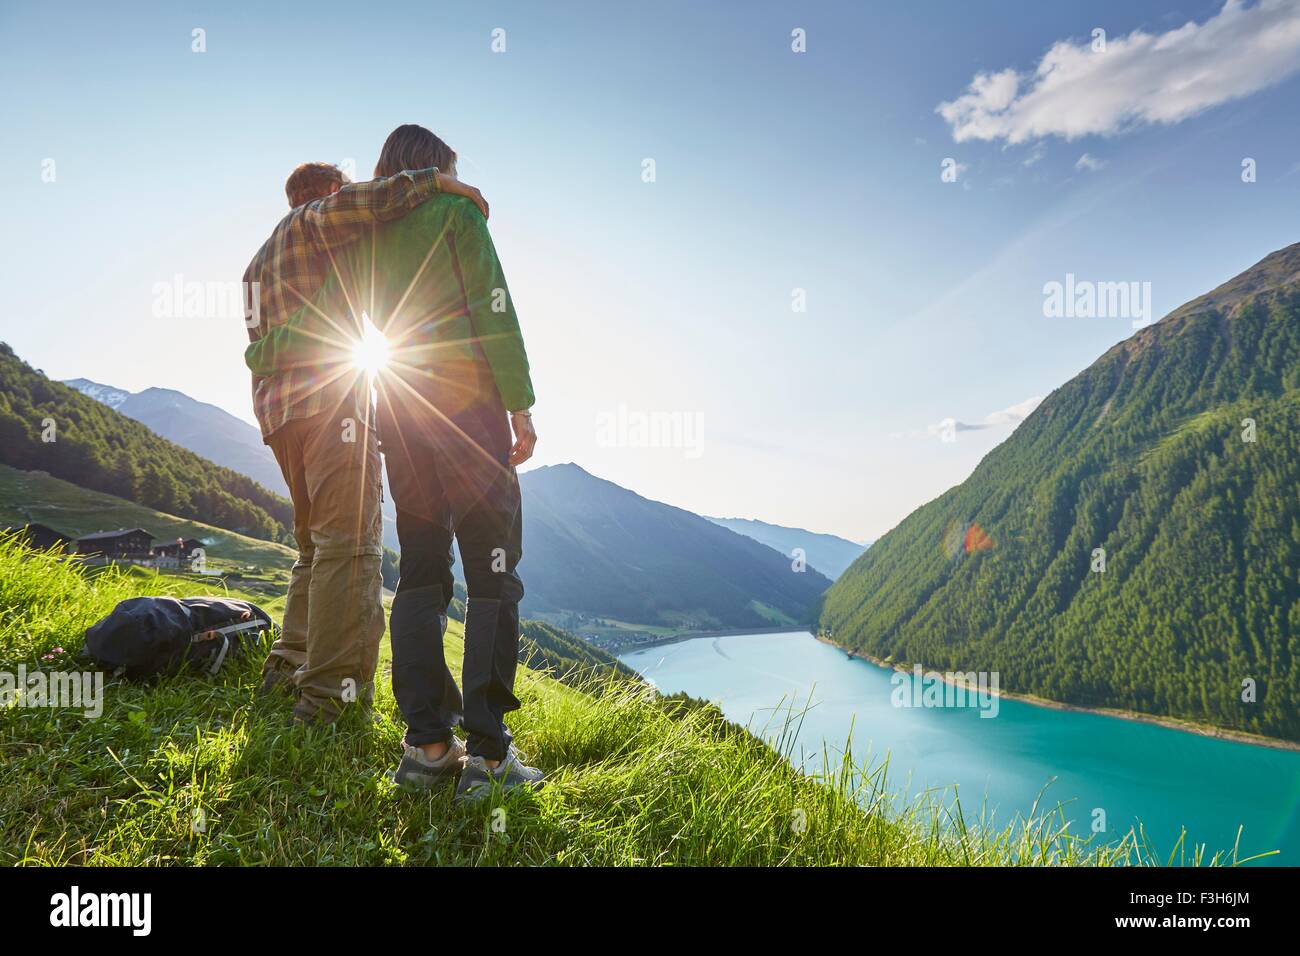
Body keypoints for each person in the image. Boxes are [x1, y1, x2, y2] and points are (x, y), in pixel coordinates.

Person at [247, 126, 542, 801]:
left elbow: (312, 323)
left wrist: (258, 355)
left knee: (420, 576)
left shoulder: (362, 242)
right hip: (469, 411)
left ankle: (428, 748)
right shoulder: (457, 213)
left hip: (402, 413)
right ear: (438, 168)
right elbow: (495, 312)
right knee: (494, 579)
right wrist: (520, 407)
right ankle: (491, 760)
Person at [242, 159, 488, 725]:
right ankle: (331, 698)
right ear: (330, 190)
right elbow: (376, 200)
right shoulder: (316, 219)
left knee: (314, 548)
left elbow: (262, 347)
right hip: (332, 407)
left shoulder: (256, 264)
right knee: (350, 549)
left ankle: (288, 667)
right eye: (343, 191)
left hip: (280, 419)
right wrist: (443, 183)